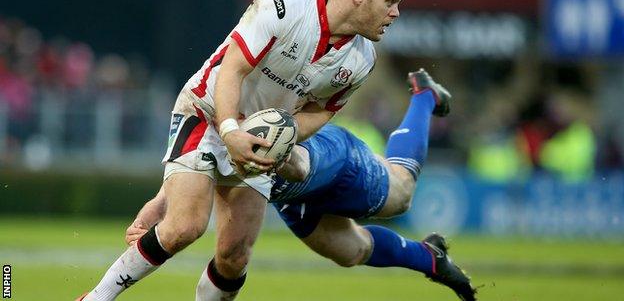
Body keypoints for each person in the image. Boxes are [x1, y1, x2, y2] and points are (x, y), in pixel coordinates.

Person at [78, 0, 408, 301]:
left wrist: (281, 138)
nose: (395, 13)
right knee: (185, 228)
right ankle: (97, 297)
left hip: (258, 139)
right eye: (391, 1)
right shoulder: (284, 6)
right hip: (206, 112)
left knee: (234, 257)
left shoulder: (362, 59)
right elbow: (232, 70)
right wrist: (231, 130)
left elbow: (320, 111)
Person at [125, 70, 477, 301]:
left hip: (326, 160)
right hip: (289, 194)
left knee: (400, 194)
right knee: (349, 251)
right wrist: (162, 200)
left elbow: (294, 157)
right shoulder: (209, 116)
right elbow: (194, 163)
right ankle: (429, 257)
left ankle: (423, 97)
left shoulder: (248, 106)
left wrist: (287, 160)